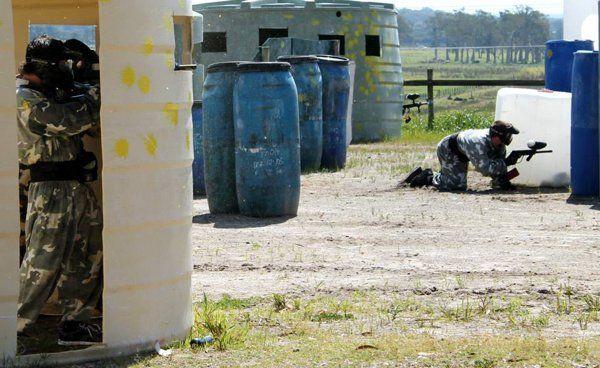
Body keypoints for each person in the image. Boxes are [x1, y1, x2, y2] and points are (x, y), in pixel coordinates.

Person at [16, 35, 103, 345]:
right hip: (49, 189)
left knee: (86, 256)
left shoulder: (53, 93)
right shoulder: (24, 97)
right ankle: (14, 327)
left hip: (76, 184)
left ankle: (75, 324)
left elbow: (90, 122)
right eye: (63, 64)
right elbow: (70, 119)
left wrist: (84, 77)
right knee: (42, 261)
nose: (67, 69)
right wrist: (91, 87)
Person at [403, 120, 520, 191]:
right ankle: (428, 176)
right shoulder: (478, 143)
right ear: (496, 136)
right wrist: (506, 162)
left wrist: (502, 181)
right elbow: (484, 168)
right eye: (506, 136)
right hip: (449, 149)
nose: (508, 139)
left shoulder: (498, 144)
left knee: (498, 161)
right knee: (457, 185)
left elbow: (497, 163)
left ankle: (446, 174)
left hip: (463, 151)